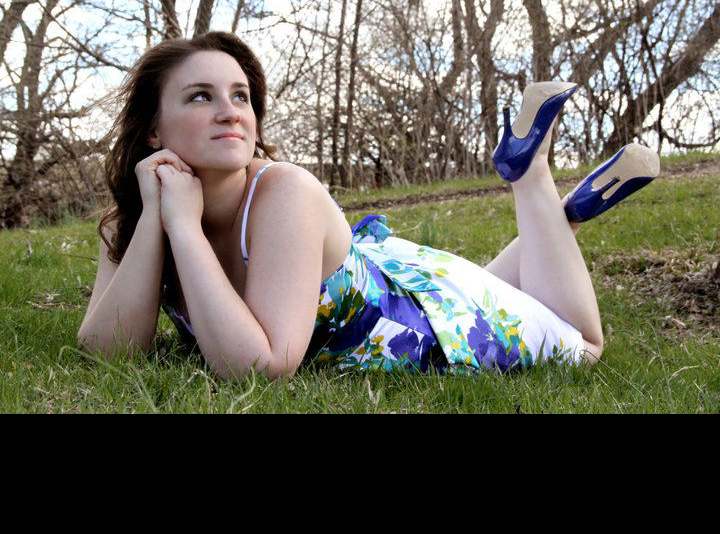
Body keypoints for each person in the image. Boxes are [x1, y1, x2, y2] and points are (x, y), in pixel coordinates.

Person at [78, 32, 660, 380]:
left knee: (584, 345)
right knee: (496, 284)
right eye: (201, 96)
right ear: (153, 129)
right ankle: (565, 217)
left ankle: (531, 177)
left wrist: (184, 228)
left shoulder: (283, 192)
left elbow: (263, 366)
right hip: (410, 282)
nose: (231, 111)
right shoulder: (138, 214)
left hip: (426, 330)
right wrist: (157, 219)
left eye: (241, 96)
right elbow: (108, 352)